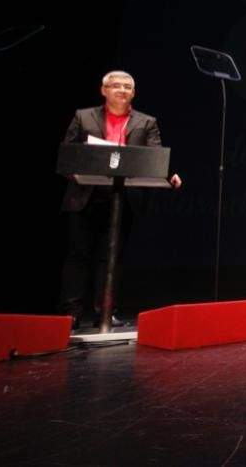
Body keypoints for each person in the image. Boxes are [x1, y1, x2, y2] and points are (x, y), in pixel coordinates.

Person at [59, 70, 182, 329]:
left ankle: (105, 311)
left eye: (127, 87)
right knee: (78, 255)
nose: (122, 90)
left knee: (111, 257)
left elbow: (155, 156)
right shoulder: (84, 117)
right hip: (86, 194)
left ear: (133, 93)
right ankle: (70, 312)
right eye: (116, 86)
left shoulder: (146, 122)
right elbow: (68, 152)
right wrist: (75, 170)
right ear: (104, 90)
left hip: (123, 197)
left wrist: (169, 174)